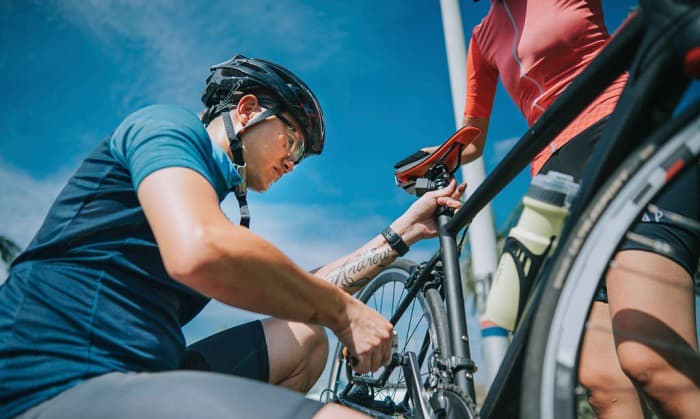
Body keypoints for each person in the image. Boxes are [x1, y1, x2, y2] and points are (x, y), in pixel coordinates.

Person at [0, 54, 466, 419]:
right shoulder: (167, 127)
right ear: (247, 111)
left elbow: (297, 290)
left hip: (144, 374)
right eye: (294, 141)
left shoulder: (205, 201)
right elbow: (202, 250)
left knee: (305, 339)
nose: (293, 161)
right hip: (56, 382)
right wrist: (346, 313)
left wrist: (402, 232)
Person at [408, 0, 699, 417]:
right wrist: (433, 158)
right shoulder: (481, 39)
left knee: (650, 360)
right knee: (602, 384)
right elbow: (473, 136)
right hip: (554, 180)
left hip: (619, 137)